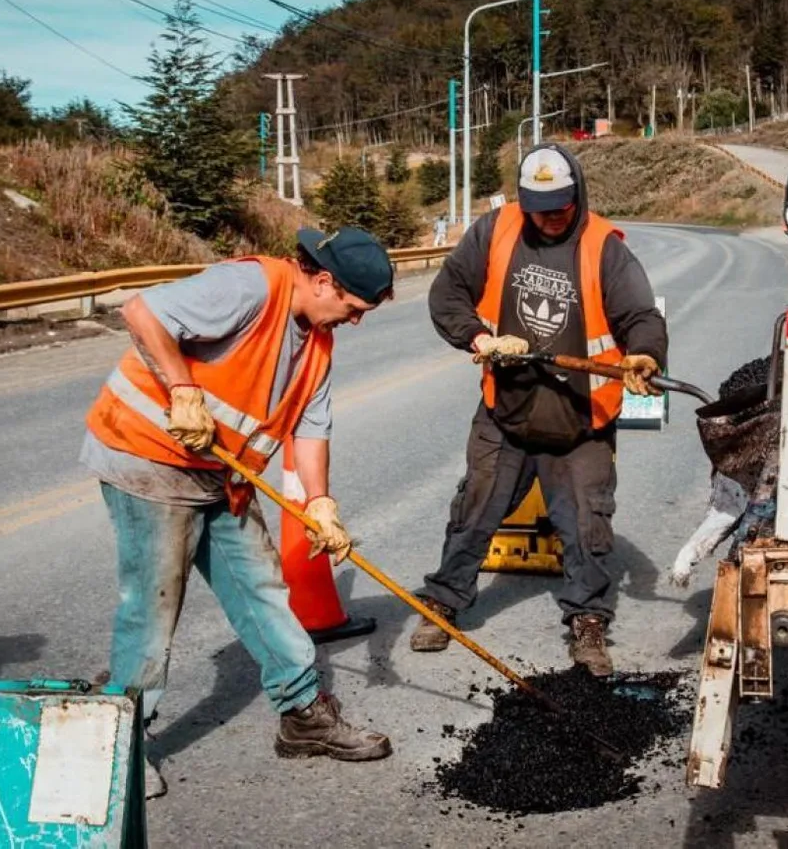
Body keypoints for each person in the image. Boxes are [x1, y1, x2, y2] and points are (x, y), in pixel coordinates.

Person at [80, 226, 396, 798]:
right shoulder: (252, 286)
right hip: (148, 458)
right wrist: (182, 389)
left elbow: (311, 428)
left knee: (264, 591)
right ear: (324, 281)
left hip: (220, 477)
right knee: (153, 608)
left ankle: (302, 713)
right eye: (352, 306)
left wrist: (321, 505)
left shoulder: (318, 346)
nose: (355, 319)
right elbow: (141, 310)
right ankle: (118, 748)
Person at [411, 144, 668, 677]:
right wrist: (477, 337)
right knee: (475, 510)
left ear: (577, 194)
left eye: (560, 205)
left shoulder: (604, 247)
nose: (550, 217)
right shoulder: (495, 230)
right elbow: (447, 294)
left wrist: (644, 353)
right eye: (539, 207)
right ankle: (443, 601)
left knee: (588, 525)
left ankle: (588, 620)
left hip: (580, 416)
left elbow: (640, 315)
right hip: (506, 407)